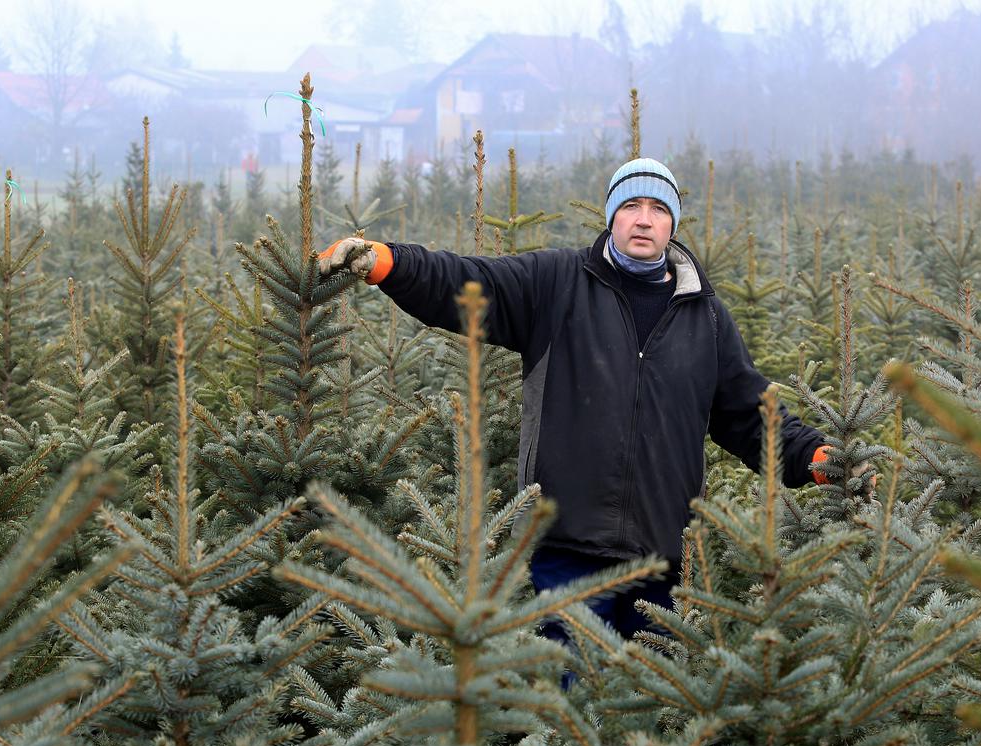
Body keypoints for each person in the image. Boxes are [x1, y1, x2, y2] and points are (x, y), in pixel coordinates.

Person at [317, 157, 865, 639]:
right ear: (611, 216)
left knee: (650, 713)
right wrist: (386, 263)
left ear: (672, 222)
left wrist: (815, 458)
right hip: (567, 547)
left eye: (657, 207)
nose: (644, 218)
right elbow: (464, 280)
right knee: (569, 704)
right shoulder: (556, 283)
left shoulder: (706, 316)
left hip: (662, 559)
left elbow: (750, 414)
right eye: (631, 206)